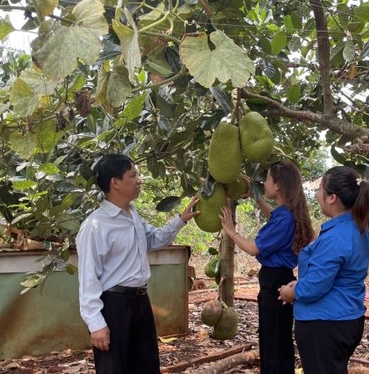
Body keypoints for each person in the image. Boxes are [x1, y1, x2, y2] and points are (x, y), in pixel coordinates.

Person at [76, 153, 199, 374]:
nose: (139, 180)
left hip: (140, 301)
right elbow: (88, 278)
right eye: (133, 176)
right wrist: (96, 324)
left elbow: (153, 240)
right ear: (115, 183)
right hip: (114, 305)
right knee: (115, 368)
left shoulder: (132, 215)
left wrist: (181, 219)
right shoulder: (95, 226)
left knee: (145, 365)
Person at [220, 161, 315, 374]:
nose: (264, 183)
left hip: (275, 281)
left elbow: (254, 249)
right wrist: (256, 196)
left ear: (278, 185)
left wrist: (230, 231)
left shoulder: (285, 219)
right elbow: (274, 215)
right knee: (275, 339)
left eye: (267, 180)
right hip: (278, 278)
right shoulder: (286, 213)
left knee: (274, 344)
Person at [278, 166, 369, 374]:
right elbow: (332, 275)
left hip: (325, 324)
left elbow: (314, 288)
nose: (317, 194)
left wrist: (291, 292)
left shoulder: (335, 237)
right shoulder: (359, 229)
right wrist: (301, 283)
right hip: (348, 318)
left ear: (332, 198)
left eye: (321, 189)